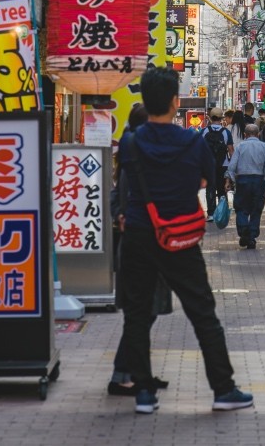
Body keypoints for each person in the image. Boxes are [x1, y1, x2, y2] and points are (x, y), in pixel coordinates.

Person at [119, 67, 254, 414]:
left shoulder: (131, 142)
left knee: (136, 313)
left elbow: (127, 181)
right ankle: (223, 389)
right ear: (175, 102)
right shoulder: (192, 142)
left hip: (138, 233)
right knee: (202, 313)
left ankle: (144, 393)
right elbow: (207, 180)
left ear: (145, 101)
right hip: (180, 236)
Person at [109, 104, 171, 396]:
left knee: (143, 314)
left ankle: (137, 372)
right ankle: (122, 377)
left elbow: (116, 196)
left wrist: (119, 213)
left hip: (145, 243)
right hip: (142, 246)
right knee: (141, 315)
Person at [224, 123, 265, 249]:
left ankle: (243, 231)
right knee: (256, 209)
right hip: (258, 181)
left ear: (245, 134)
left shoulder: (240, 146)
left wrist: (228, 180)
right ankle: (251, 237)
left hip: (242, 180)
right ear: (258, 134)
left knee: (241, 208)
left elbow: (232, 165)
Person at [201, 108, 234, 220]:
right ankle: (221, 214)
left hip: (208, 165)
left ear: (210, 118)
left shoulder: (204, 131)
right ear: (221, 118)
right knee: (222, 189)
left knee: (210, 188)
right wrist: (233, 165)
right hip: (223, 165)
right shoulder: (226, 132)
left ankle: (211, 214)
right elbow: (231, 150)